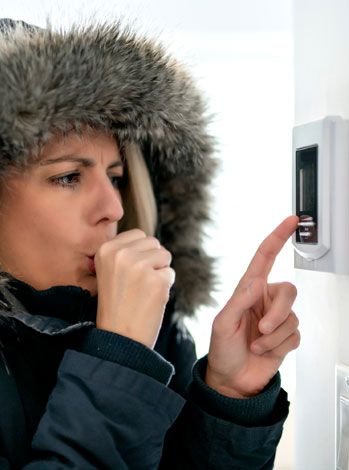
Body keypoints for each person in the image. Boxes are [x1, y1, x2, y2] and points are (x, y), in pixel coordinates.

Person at [0, 17, 300, 469]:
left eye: (116, 178)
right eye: (67, 177)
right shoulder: (130, 337)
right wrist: (119, 358)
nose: (113, 209)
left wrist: (227, 397)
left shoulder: (156, 336)